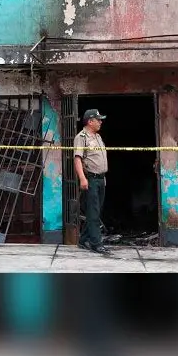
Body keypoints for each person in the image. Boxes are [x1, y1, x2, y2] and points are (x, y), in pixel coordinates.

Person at [74, 109, 109, 254]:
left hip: (100, 178)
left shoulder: (98, 136)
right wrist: (82, 178)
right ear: (90, 121)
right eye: (98, 120)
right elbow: (77, 159)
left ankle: (83, 240)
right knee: (93, 212)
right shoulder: (81, 137)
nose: (100, 122)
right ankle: (96, 243)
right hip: (91, 179)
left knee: (95, 211)